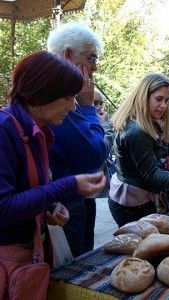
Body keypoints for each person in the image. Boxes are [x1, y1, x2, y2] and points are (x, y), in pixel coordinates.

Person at [0, 51, 106, 296]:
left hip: (30, 258)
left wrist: (50, 207)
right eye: (67, 97)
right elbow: (3, 208)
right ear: (41, 93)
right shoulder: (5, 130)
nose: (72, 107)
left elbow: (27, 191)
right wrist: (68, 185)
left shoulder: (40, 132)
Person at [109, 74, 169, 227]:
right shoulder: (138, 131)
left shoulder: (145, 123)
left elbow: (145, 162)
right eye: (158, 99)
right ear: (143, 96)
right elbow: (151, 174)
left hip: (137, 198)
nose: (163, 105)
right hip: (131, 204)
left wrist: (168, 161)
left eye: (166, 100)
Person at [47, 22, 107, 257]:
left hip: (74, 203)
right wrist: (88, 107)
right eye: (91, 58)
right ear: (68, 55)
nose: (94, 68)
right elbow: (94, 154)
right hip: (64, 209)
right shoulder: (56, 97)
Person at [94, 88, 116, 198]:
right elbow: (102, 150)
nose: (98, 108)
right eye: (94, 103)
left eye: (101, 104)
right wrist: (106, 125)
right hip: (92, 191)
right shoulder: (85, 124)